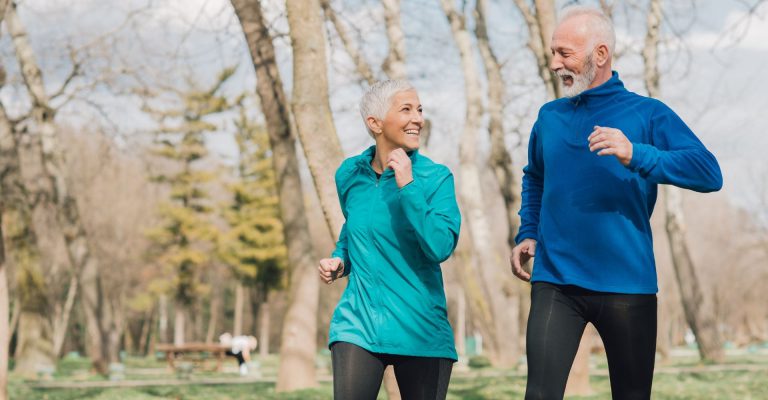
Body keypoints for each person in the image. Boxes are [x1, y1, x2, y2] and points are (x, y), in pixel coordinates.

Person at [509, 6, 722, 400]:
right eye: (552, 53)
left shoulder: (648, 113)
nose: (554, 64)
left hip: (627, 283)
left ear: (601, 54)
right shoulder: (549, 117)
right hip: (555, 280)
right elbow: (535, 176)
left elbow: (708, 172)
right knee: (539, 394)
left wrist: (636, 154)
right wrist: (528, 231)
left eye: (564, 53)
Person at [318, 80, 460, 400]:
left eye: (419, 110)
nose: (418, 118)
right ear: (375, 123)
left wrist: (408, 186)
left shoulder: (435, 177)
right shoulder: (349, 175)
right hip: (358, 323)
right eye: (406, 110)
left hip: (420, 327)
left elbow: (440, 247)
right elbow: (354, 228)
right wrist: (340, 259)